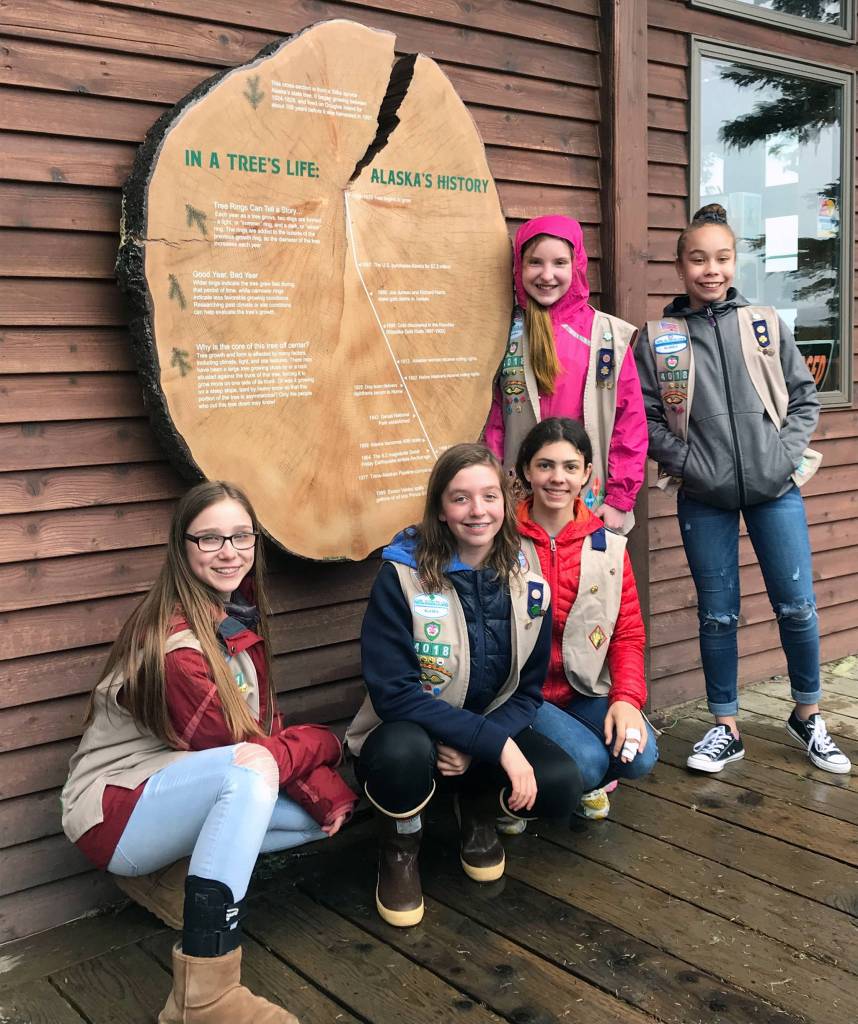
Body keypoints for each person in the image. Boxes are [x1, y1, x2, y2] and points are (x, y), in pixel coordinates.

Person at [61, 481, 357, 1023]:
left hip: (171, 790)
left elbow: (261, 730)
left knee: (318, 818)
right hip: (113, 811)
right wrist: (327, 743)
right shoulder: (178, 647)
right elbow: (247, 751)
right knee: (247, 779)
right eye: (210, 539)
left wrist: (315, 777)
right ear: (183, 548)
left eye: (241, 535)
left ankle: (170, 879)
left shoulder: (229, 616)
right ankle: (206, 995)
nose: (230, 551)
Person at [634, 203, 850, 775]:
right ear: (679, 266)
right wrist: (691, 462)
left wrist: (779, 458)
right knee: (718, 615)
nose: (711, 269)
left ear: (735, 261)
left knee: (798, 606)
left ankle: (807, 715)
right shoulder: (660, 338)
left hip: (775, 489)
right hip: (703, 495)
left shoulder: (763, 323)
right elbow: (647, 419)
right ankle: (725, 726)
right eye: (698, 258)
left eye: (722, 257)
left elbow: (803, 398)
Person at [345, 443, 582, 927]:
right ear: (440, 508)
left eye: (489, 496)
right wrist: (499, 748)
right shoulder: (402, 574)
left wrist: (484, 746)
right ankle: (401, 843)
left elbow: (528, 691)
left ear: (505, 501)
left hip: (483, 728)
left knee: (561, 784)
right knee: (400, 756)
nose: (478, 511)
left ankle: (475, 809)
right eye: (461, 498)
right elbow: (394, 693)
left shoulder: (529, 577)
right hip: (412, 727)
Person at [512, 417, 657, 823]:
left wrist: (627, 700)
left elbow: (627, 633)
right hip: (522, 695)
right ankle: (511, 791)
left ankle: (568, 779)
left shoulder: (608, 547)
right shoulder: (502, 540)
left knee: (642, 755)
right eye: (545, 465)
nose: (557, 478)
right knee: (590, 763)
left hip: (582, 689)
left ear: (587, 474)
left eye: (570, 467)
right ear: (527, 470)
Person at [484, 214, 647, 535]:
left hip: (591, 505)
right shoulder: (505, 334)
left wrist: (619, 497)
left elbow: (629, 422)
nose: (547, 275)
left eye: (559, 262)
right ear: (519, 266)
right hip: (520, 506)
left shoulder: (606, 336)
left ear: (577, 265)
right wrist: (492, 490)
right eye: (535, 263)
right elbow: (494, 422)